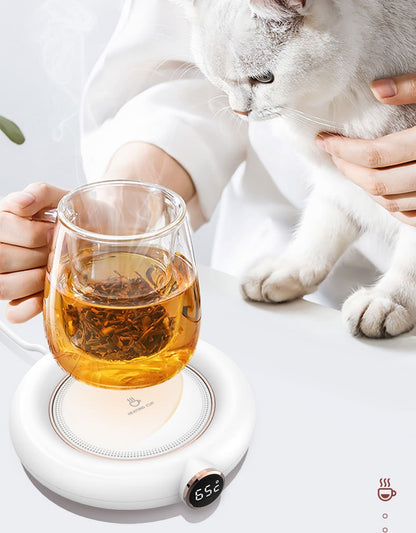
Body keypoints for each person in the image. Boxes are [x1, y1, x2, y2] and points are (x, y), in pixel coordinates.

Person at [1, 0, 416, 324]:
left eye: (258, 83)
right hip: (289, 291)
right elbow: (186, 69)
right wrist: (127, 212)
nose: (238, 109)